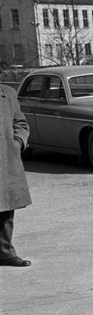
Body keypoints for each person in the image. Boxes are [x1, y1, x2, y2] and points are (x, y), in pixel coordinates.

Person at [0, 82, 32, 266]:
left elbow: (20, 122)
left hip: (5, 157)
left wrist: (18, 142)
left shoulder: (8, 93)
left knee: (5, 207)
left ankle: (5, 253)